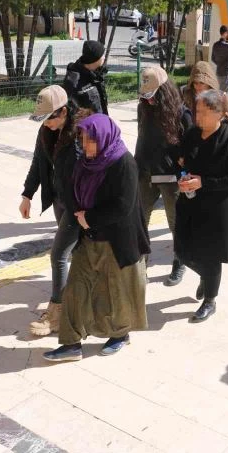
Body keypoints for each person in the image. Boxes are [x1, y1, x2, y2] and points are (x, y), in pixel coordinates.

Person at [43, 115, 150, 361]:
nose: (86, 145)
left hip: (116, 240)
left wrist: (89, 217)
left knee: (116, 291)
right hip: (89, 237)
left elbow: (122, 206)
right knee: (75, 288)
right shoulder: (86, 163)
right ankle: (71, 344)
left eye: (91, 141)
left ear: (104, 138)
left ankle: (120, 334)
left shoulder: (124, 163)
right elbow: (72, 190)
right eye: (83, 139)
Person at [174, 90, 228, 322]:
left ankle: (210, 300)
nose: (199, 117)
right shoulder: (192, 134)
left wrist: (203, 182)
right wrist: (183, 176)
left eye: (205, 113)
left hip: (218, 209)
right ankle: (206, 278)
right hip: (191, 205)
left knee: (211, 256)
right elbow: (181, 160)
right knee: (183, 251)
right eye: (197, 111)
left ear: (219, 114)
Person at [18, 86, 81, 336]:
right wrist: (27, 194)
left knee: (58, 255)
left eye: (50, 118)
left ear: (64, 112)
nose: (46, 124)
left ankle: (57, 312)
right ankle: (77, 296)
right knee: (75, 251)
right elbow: (38, 162)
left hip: (78, 204)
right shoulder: (45, 131)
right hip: (58, 199)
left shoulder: (82, 132)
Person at [134, 67, 193, 285]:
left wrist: (182, 164)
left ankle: (180, 262)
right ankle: (141, 265)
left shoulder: (181, 113)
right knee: (140, 222)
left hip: (170, 179)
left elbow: (190, 147)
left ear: (164, 91)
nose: (148, 101)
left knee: (175, 224)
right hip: (145, 175)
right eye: (145, 96)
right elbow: (142, 138)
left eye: (152, 96)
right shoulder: (144, 108)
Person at [63, 40, 109, 115]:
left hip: (100, 121)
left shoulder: (97, 74)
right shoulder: (74, 80)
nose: (104, 57)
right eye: (102, 55)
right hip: (86, 125)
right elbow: (70, 108)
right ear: (95, 58)